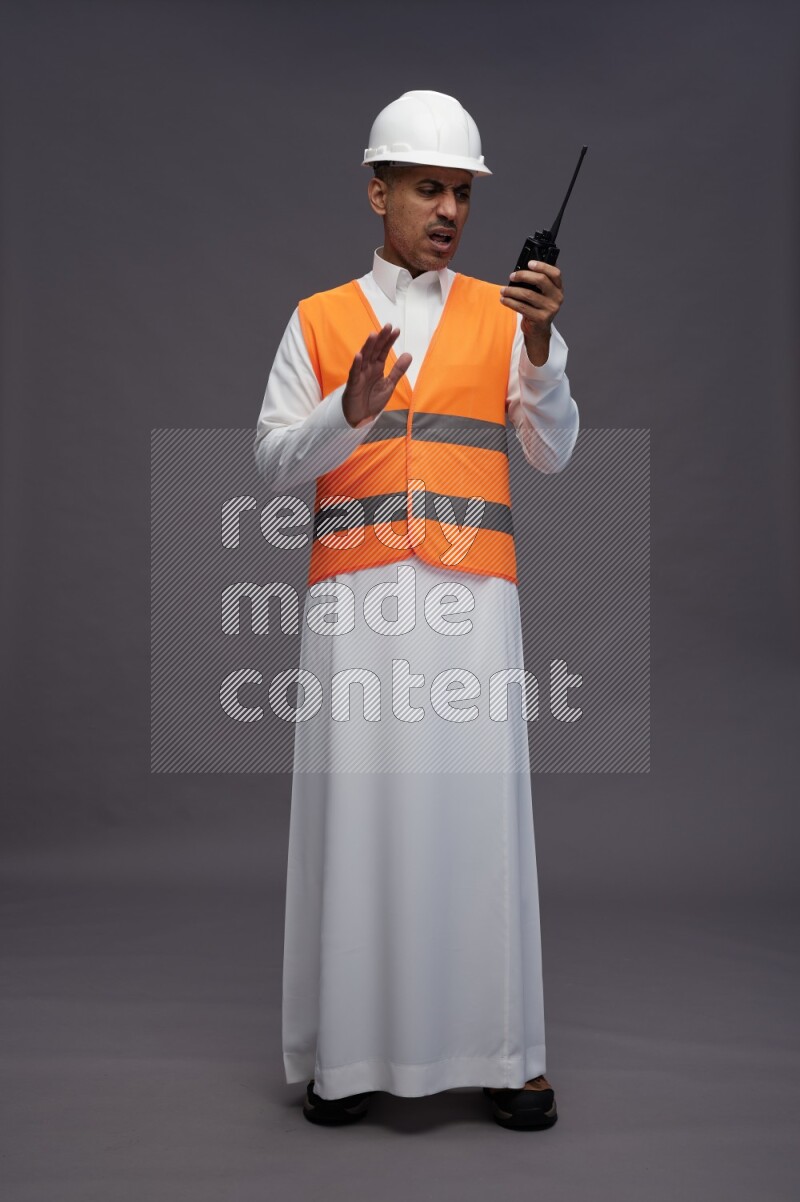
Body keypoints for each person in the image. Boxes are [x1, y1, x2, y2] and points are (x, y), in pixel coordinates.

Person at [253, 90, 579, 1131]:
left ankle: (504, 1051)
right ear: (376, 191)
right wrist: (343, 414)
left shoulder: (509, 316)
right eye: (427, 187)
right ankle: (346, 1058)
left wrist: (539, 351)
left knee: (477, 823)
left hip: (472, 605)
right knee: (359, 817)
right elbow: (268, 465)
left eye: (461, 191)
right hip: (354, 607)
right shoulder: (316, 318)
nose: (447, 208)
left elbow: (552, 448)